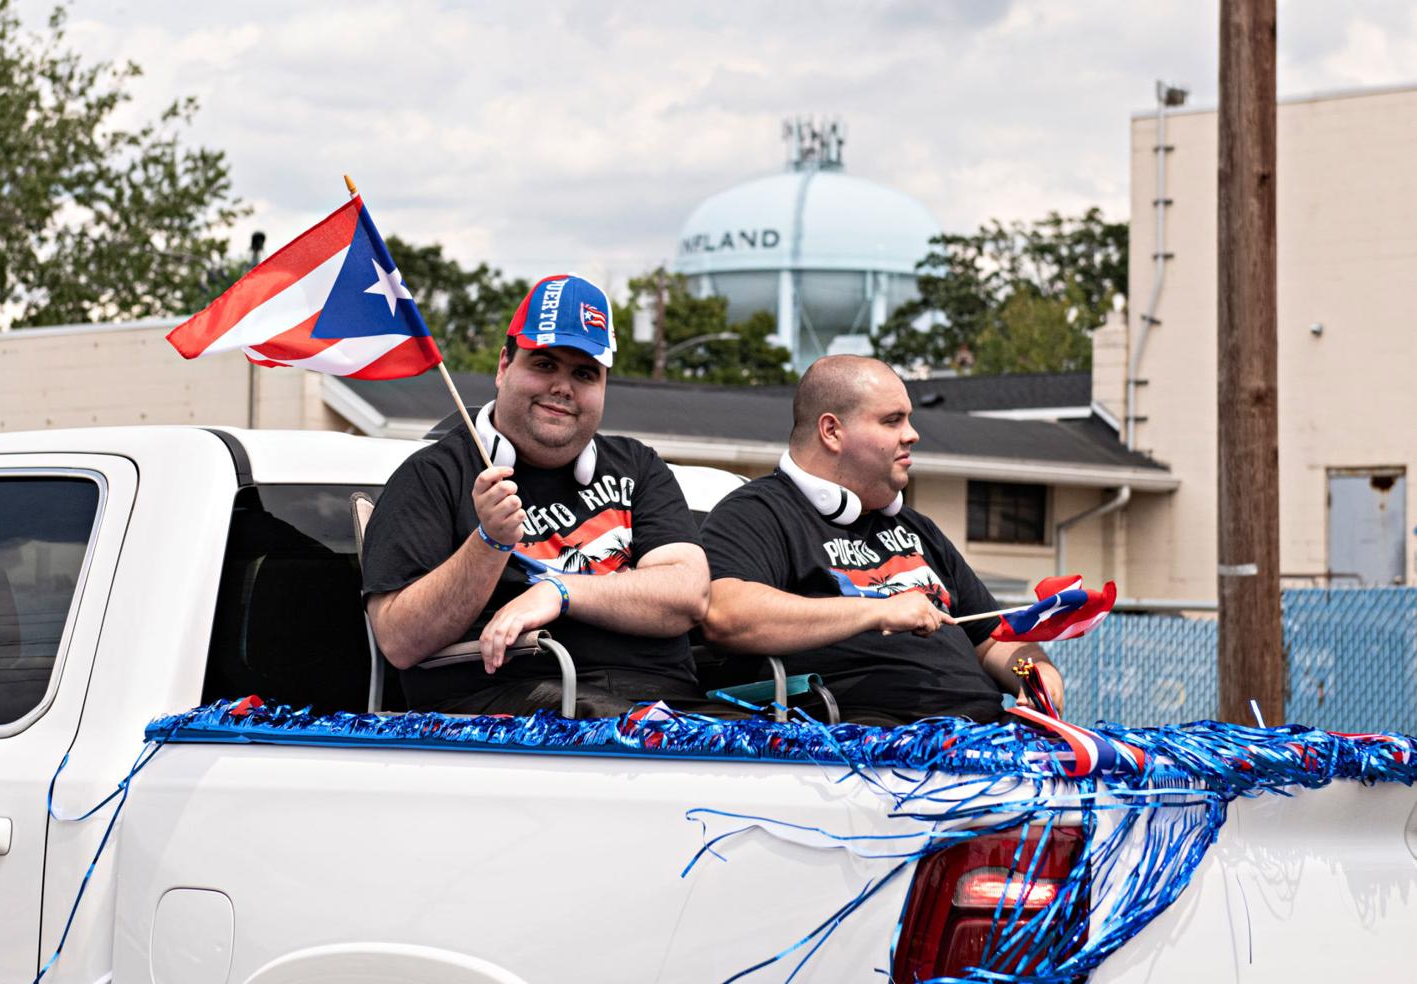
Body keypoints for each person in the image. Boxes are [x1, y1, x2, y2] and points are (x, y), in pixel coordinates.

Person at [361, 274, 713, 717]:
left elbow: (687, 594)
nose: (563, 387)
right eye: (544, 364)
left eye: (584, 373)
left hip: (670, 705)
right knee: (613, 722)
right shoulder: (434, 475)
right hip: (524, 708)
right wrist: (489, 542)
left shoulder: (638, 465)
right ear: (504, 366)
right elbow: (399, 639)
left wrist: (559, 591)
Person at [701, 355, 1065, 726]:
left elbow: (992, 639)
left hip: (987, 737)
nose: (912, 434)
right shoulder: (758, 512)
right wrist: (877, 610)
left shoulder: (918, 528)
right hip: (870, 747)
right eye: (892, 421)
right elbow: (726, 614)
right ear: (832, 431)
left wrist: (1037, 674)